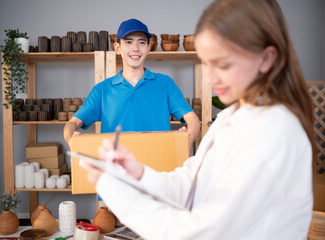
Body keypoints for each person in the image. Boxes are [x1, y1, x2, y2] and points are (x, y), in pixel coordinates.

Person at [80, 0, 316, 239]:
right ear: (118, 47)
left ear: (266, 59)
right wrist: (139, 173)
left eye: (223, 64)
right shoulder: (229, 119)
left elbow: (199, 232)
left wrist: (114, 191)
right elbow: (192, 183)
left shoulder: (275, 131)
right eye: (206, 62)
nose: (211, 78)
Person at [64, 18, 200, 148]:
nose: (135, 48)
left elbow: (193, 119)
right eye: (128, 42)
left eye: (141, 42)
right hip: (116, 168)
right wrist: (72, 140)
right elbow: (73, 123)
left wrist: (187, 140)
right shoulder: (102, 90)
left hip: (156, 167)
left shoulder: (165, 84)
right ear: (117, 48)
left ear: (148, 48)